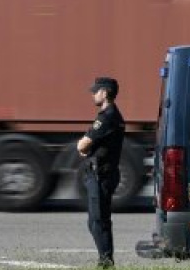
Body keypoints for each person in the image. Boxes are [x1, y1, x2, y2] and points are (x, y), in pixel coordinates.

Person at [77, 77, 125, 269]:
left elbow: (82, 144)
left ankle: (106, 263)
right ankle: (105, 259)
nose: (93, 94)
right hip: (102, 174)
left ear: (105, 93)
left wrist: (83, 146)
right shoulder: (113, 115)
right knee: (95, 221)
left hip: (101, 175)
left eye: (96, 91)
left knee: (99, 221)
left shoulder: (106, 117)